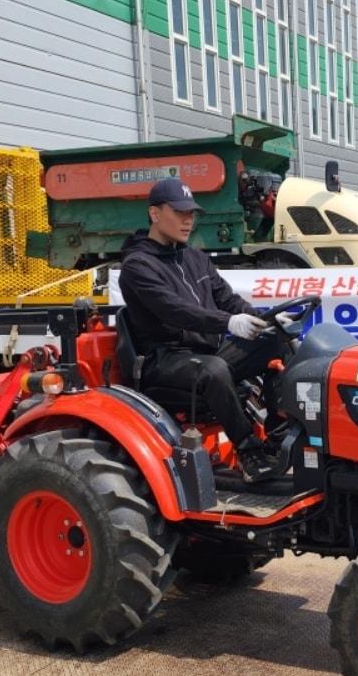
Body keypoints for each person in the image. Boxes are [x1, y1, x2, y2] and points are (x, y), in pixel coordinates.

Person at [119, 177, 291, 482]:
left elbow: (227, 299)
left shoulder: (195, 258)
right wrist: (228, 323)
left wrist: (266, 319)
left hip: (207, 350)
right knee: (214, 370)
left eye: (191, 213)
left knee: (276, 341)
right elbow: (174, 311)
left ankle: (281, 438)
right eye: (180, 212)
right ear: (155, 214)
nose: (188, 220)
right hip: (165, 358)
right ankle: (249, 452)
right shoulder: (137, 266)